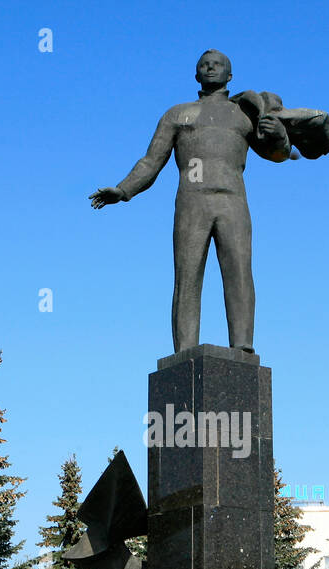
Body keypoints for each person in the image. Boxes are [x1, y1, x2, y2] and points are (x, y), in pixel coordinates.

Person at [90, 50, 292, 353]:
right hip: (191, 203)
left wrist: (278, 136)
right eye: (204, 65)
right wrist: (123, 189)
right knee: (187, 278)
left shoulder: (245, 115)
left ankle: (243, 346)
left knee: (238, 273)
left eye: (218, 65)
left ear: (229, 75)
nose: (211, 67)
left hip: (232, 203)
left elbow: (277, 154)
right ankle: (184, 352)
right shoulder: (177, 114)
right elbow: (150, 161)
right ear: (196, 74)